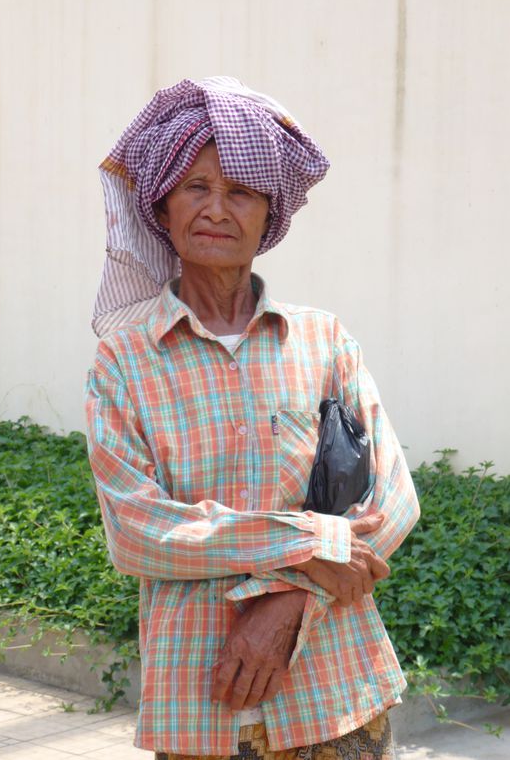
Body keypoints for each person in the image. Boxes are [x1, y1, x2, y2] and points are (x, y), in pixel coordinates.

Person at [85, 77, 420, 760]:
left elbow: (393, 499)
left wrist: (285, 601)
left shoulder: (323, 340)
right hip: (202, 705)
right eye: (195, 186)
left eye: (240, 190)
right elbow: (139, 532)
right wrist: (307, 540)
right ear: (161, 206)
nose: (216, 209)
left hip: (337, 689)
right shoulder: (124, 360)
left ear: (268, 214)